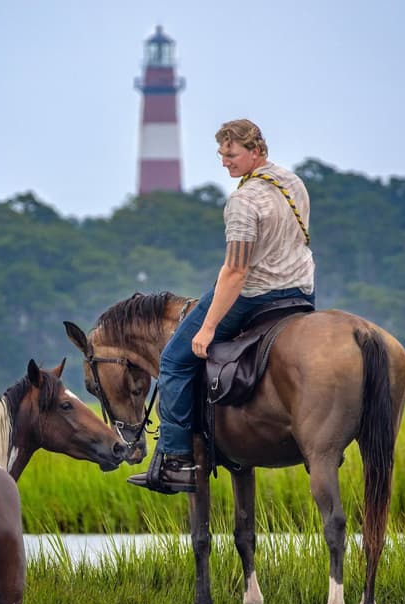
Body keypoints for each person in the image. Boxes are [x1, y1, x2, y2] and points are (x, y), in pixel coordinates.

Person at [128, 118, 316, 494]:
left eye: (231, 155)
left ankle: (176, 458)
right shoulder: (293, 182)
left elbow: (236, 272)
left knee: (174, 360)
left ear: (256, 151)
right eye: (221, 154)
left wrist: (208, 327)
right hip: (302, 293)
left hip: (258, 294)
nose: (224, 162)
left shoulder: (244, 201)